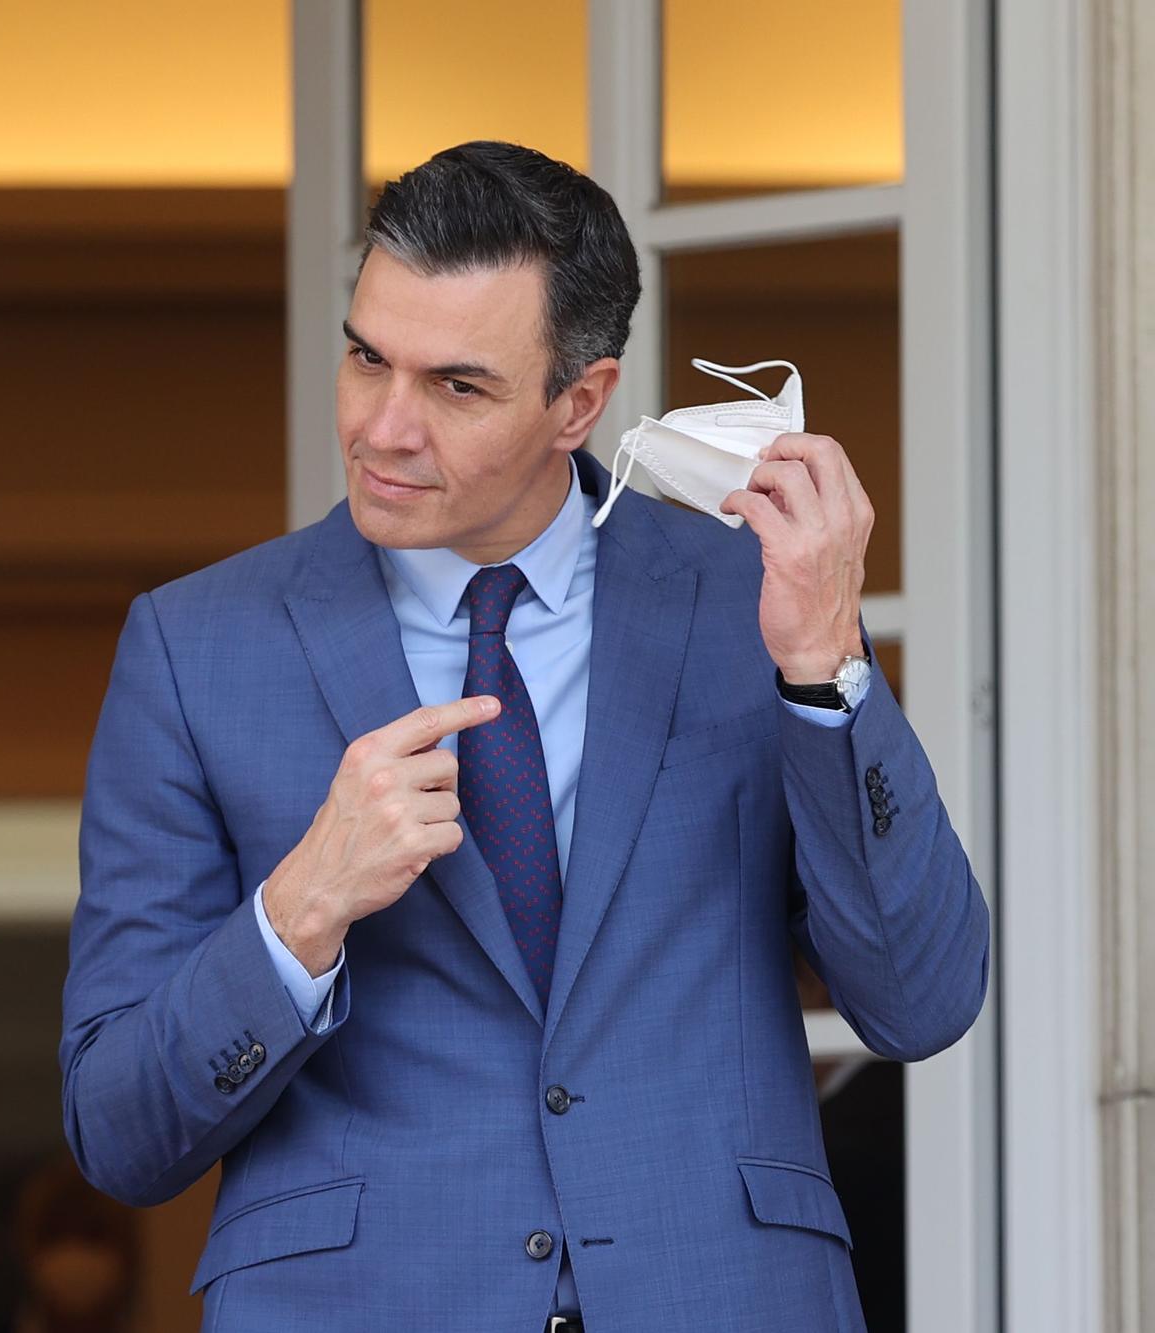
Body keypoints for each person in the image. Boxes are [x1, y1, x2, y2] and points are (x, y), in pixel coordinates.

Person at [59, 141, 988, 1332]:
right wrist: (301, 909)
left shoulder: (743, 608)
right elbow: (118, 1131)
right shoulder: (193, 649)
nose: (383, 428)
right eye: (363, 359)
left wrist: (826, 673)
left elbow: (919, 1001)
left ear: (580, 402)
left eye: (455, 386)